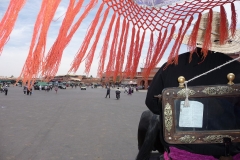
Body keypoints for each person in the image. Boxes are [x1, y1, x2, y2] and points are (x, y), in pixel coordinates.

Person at [137, 12, 240, 159]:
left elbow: (152, 104)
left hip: (183, 153)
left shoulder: (172, 66)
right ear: (225, 39)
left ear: (195, 38)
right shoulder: (236, 68)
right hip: (229, 153)